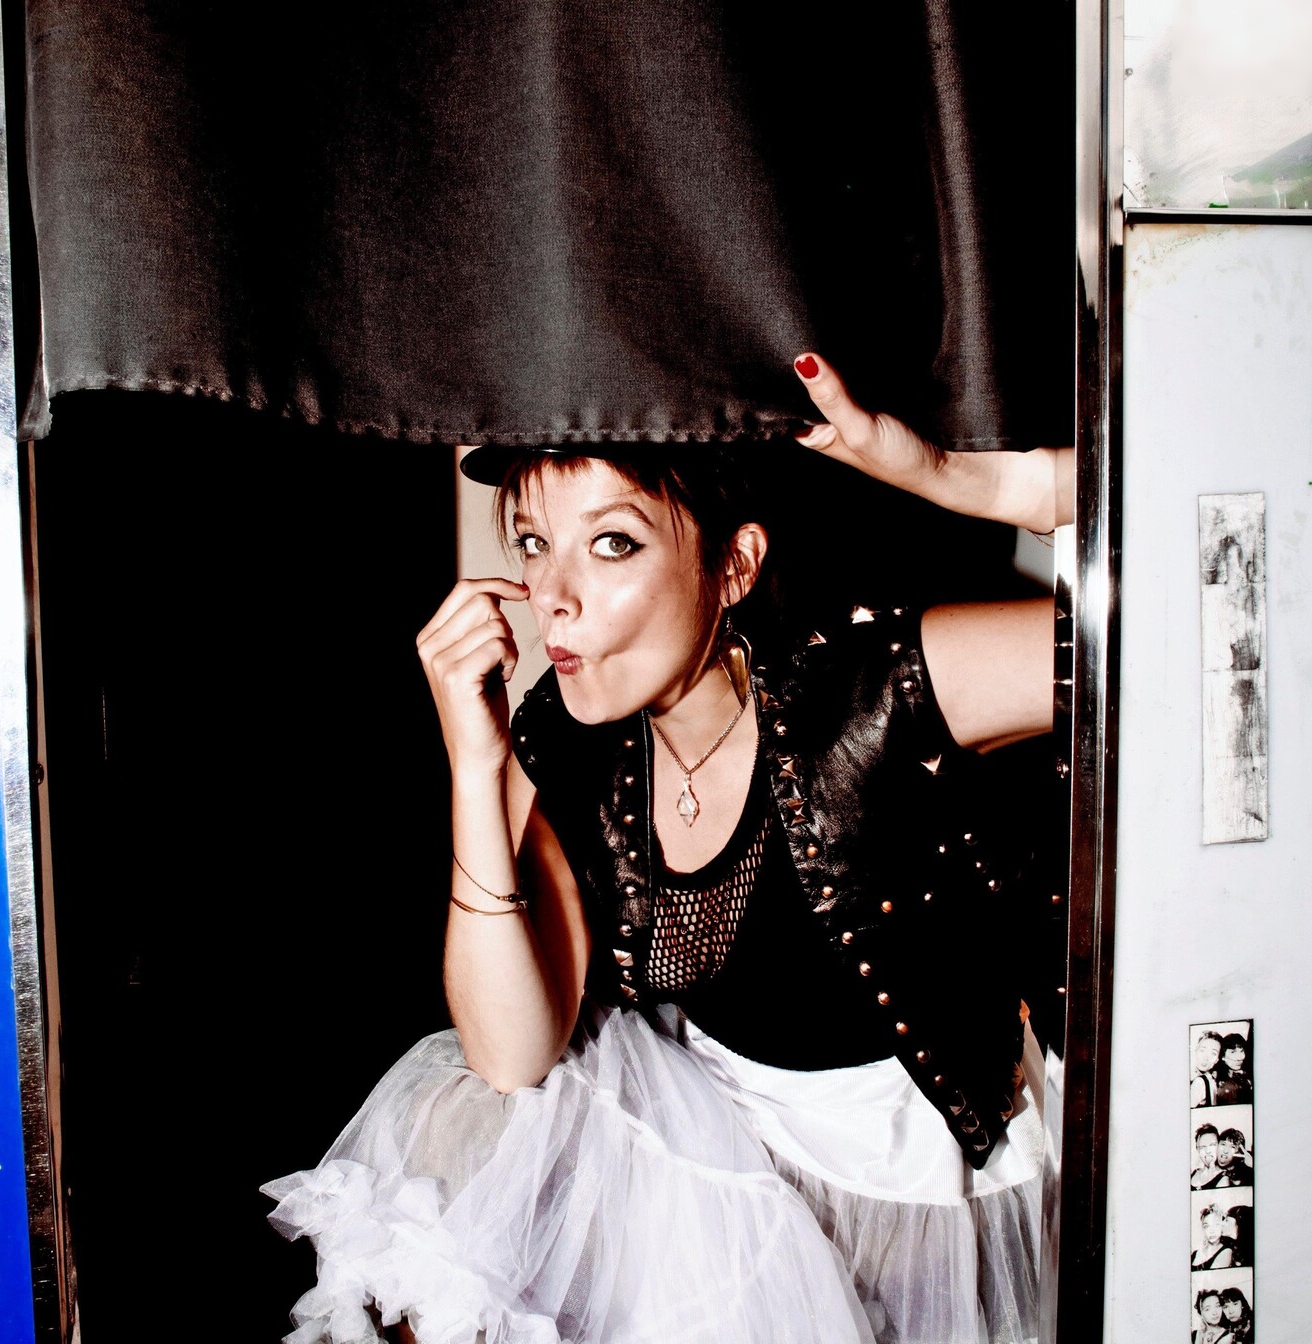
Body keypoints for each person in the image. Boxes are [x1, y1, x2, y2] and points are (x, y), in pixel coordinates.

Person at [264, 354, 1070, 1344]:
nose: (553, 598)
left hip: (909, 1203)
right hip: (714, 1165)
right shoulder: (569, 736)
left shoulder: (878, 689)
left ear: (733, 566)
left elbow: (1192, 603)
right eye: (534, 543)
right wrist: (475, 765)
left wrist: (972, 479)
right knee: (468, 1137)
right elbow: (508, 1055)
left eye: (612, 544)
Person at [1213, 1033, 1251, 1105]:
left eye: (1242, 1051)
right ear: (1223, 1056)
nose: (1240, 1057)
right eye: (1233, 1052)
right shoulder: (1224, 1085)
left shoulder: (1242, 1075)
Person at [1192, 1204, 1233, 1269]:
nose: (1211, 1231)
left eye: (1216, 1225)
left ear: (1222, 1225)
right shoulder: (1195, 1253)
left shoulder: (1226, 1252)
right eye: (1206, 1226)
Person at [1190, 1031, 1225, 1107]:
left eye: (1213, 1053)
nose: (1206, 1057)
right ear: (1196, 1051)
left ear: (1217, 1060)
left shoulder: (1204, 1082)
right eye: (1202, 1050)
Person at [1190, 1122, 1225, 1188]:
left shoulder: (1224, 1178)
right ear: (1198, 1150)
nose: (1208, 1151)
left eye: (1212, 1145)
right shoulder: (1192, 1174)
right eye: (1203, 1147)